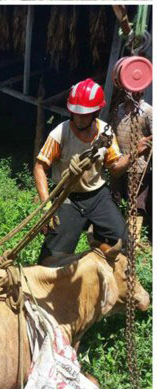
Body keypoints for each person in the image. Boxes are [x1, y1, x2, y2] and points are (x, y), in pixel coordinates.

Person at [34, 78, 131, 262]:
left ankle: (97, 250)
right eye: (76, 113)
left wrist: (135, 154)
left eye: (85, 114)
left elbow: (115, 169)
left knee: (123, 242)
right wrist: (47, 206)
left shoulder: (105, 132)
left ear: (96, 112)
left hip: (97, 196)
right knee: (51, 259)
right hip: (67, 197)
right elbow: (40, 167)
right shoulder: (60, 133)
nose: (79, 118)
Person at [110, 91, 152, 241]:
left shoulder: (148, 111)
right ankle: (116, 236)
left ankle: (133, 241)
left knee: (136, 206)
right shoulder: (119, 110)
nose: (132, 93)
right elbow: (112, 133)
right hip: (120, 163)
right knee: (116, 199)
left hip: (139, 167)